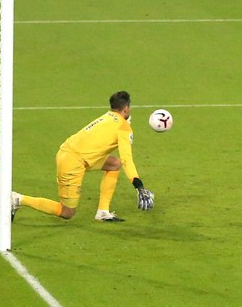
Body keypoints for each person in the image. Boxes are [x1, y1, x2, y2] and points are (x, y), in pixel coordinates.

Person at [12, 90, 154, 223]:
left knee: (113, 164)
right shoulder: (123, 127)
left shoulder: (108, 117)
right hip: (72, 163)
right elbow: (126, 159)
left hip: (73, 153)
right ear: (126, 109)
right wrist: (139, 186)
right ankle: (17, 199)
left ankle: (103, 212)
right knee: (67, 212)